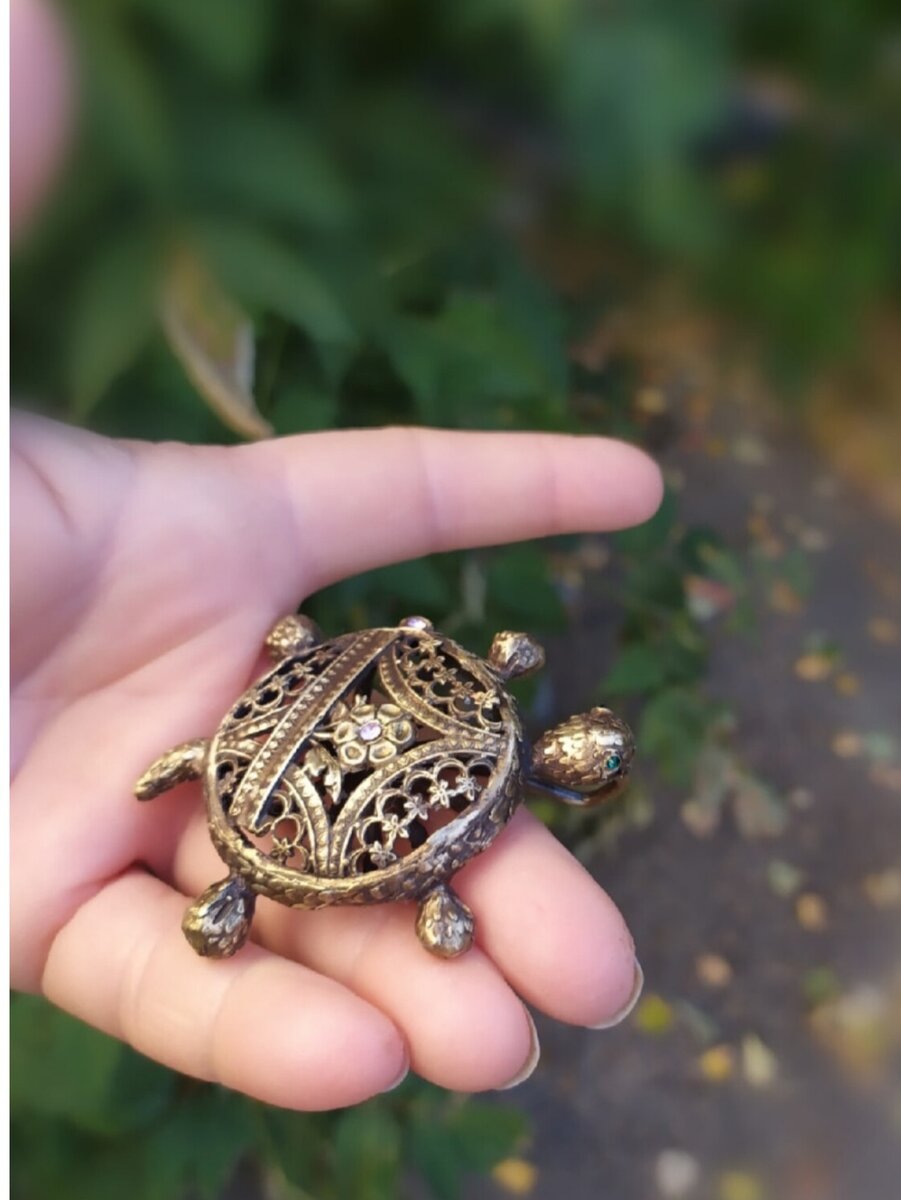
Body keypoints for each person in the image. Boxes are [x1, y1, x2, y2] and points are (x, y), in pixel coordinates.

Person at [10, 0, 661, 1109]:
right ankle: (230, 849)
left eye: (594, 755)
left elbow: (363, 680)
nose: (590, 753)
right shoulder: (492, 724)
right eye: (597, 756)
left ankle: (222, 844)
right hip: (305, 758)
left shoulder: (484, 686)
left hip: (300, 731)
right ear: (565, 777)